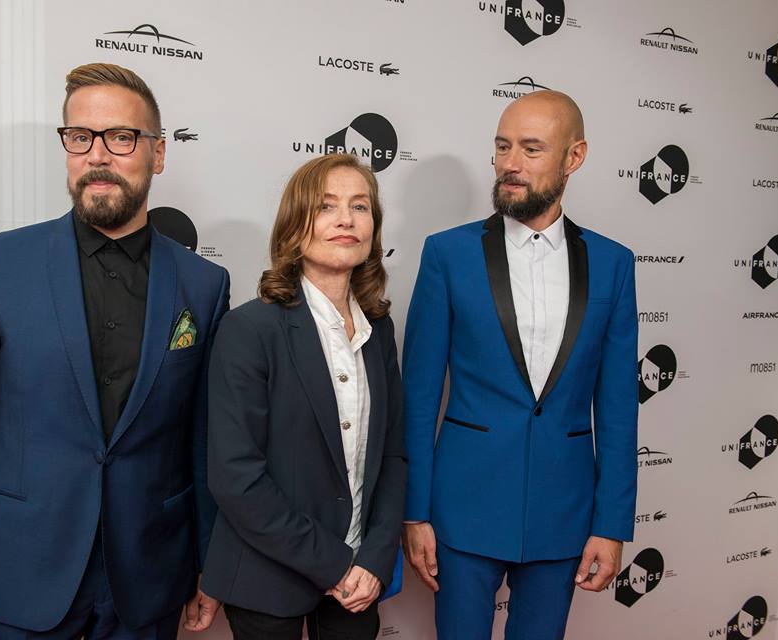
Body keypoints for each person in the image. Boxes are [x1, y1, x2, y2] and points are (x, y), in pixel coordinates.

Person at [0, 62, 229, 639]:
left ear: (157, 154)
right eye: (80, 137)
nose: (98, 155)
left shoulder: (204, 286)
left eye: (121, 137)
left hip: (151, 587)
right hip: (19, 585)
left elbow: (202, 442)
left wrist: (210, 564)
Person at [401, 90, 638, 640]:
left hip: (565, 512)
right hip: (462, 507)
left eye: (531, 149)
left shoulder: (614, 264)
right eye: (503, 146)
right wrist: (416, 513)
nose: (511, 163)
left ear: (573, 158)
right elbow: (417, 395)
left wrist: (611, 524)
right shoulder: (447, 253)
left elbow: (620, 407)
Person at [201, 154, 406, 640]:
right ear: (296, 223)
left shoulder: (379, 330)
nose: (345, 219)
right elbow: (235, 477)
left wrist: (375, 559)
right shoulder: (250, 328)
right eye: (327, 206)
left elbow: (394, 456)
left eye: (360, 206)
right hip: (267, 577)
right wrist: (335, 564)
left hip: (360, 580)